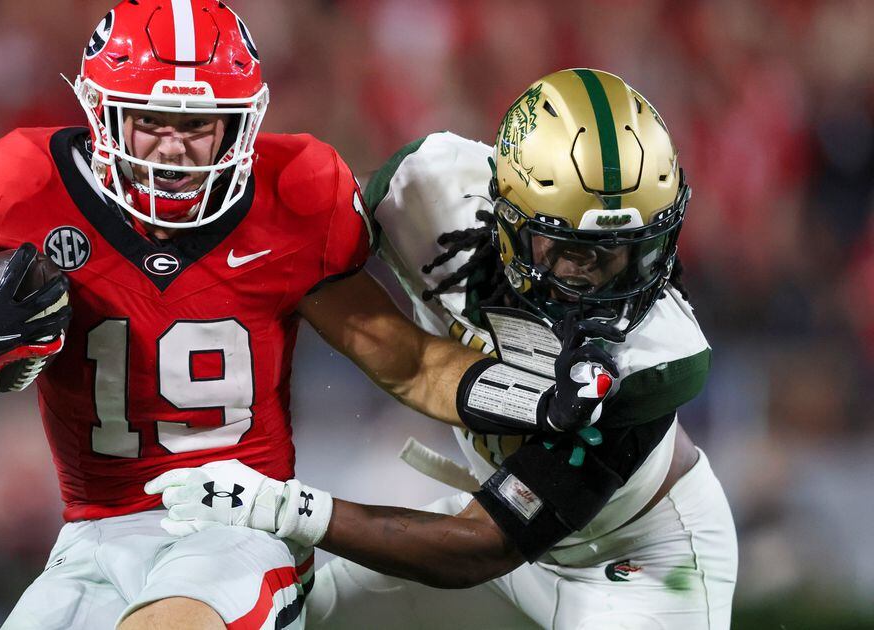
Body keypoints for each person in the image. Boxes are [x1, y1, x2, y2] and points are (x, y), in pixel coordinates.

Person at [0, 3, 612, 628]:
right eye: (153, 121)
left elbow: (411, 362)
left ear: (242, 124)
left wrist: (531, 396)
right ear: (103, 114)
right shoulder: (28, 191)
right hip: (93, 534)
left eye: (198, 126)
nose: (174, 148)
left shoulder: (294, 196)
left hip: (244, 525)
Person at [148, 69, 738, 629]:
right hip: (493, 517)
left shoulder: (655, 359)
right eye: (574, 250)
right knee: (288, 613)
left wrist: (286, 508)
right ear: (509, 215)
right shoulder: (427, 192)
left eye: (631, 250)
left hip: (640, 557)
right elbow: (305, 255)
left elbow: (483, 546)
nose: (606, 281)